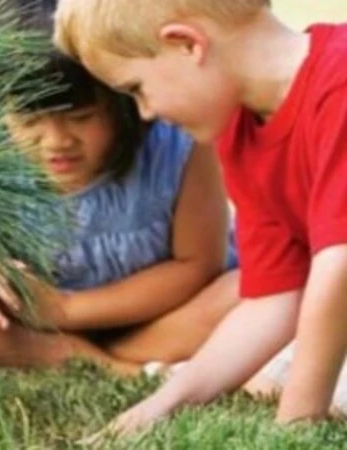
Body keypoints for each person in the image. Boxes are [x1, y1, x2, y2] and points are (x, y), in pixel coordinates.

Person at [54, 0, 347, 434]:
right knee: (266, 380)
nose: (145, 112)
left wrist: (296, 423)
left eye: (137, 88)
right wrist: (152, 412)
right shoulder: (240, 132)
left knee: (299, 381)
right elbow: (274, 297)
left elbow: (339, 264)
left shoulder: (340, 81)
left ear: (187, 45)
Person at [0, 0, 239, 377]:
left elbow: (197, 265)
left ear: (124, 96)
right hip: (38, 326)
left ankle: (112, 356)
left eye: (81, 117)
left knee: (246, 291)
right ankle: (120, 368)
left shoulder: (178, 145)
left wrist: (63, 309)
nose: (57, 141)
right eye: (29, 119)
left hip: (162, 317)